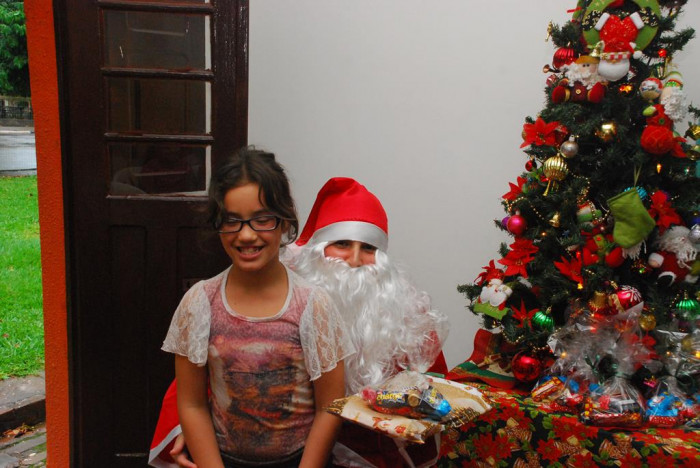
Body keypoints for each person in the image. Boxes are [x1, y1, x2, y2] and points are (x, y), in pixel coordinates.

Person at [150, 177, 449, 468]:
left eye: (369, 248)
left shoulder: (405, 319)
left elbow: (433, 396)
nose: (355, 259)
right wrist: (187, 430)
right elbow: (211, 375)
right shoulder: (283, 291)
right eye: (342, 243)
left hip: (359, 453)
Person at [160, 148, 354, 468]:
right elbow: (192, 404)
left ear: (284, 220)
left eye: (262, 220)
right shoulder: (199, 303)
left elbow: (330, 407)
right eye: (232, 221)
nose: (246, 235)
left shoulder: (312, 305)